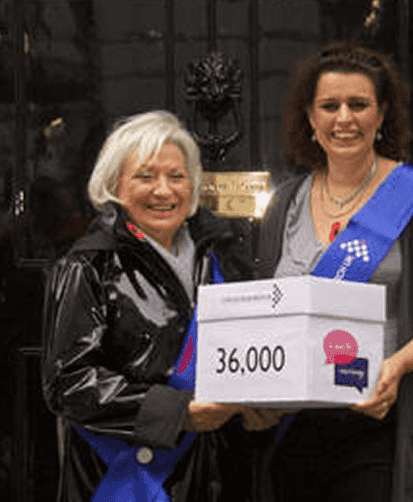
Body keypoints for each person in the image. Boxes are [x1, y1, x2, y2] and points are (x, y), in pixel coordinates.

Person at [255, 42, 413, 502]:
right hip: (294, 429)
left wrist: (397, 365)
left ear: (381, 117)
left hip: (380, 425)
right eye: (330, 106)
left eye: (359, 105)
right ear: (310, 117)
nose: (344, 118)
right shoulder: (285, 205)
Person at [40, 110, 258, 502]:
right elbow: (68, 383)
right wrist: (178, 413)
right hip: (124, 478)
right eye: (145, 176)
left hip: (216, 472)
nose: (164, 191)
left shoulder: (221, 256)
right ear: (113, 185)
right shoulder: (88, 265)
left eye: (177, 176)